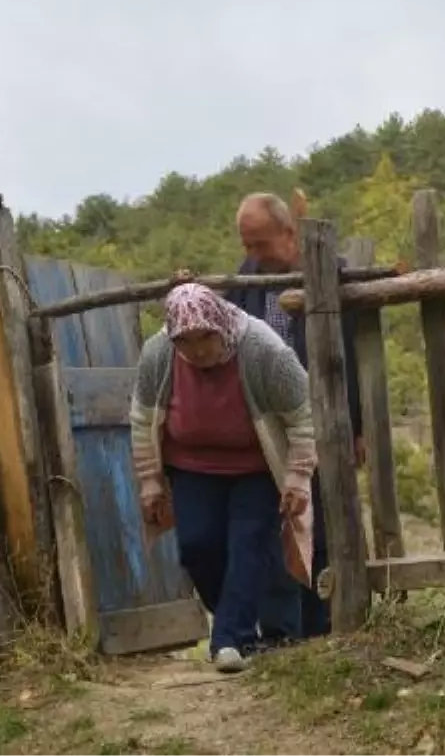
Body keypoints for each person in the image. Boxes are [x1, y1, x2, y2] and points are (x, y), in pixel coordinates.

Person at [129, 282, 319, 673]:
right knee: (198, 545)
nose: (197, 351)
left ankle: (230, 640)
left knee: (248, 542)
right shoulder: (158, 354)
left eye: (205, 339)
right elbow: (142, 418)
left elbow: (303, 417)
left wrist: (298, 478)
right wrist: (149, 481)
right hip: (192, 466)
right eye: (186, 343)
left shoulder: (264, 351)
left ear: (219, 326)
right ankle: (236, 621)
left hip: (256, 468)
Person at [224, 191, 365, 647]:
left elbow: (351, 356)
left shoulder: (327, 271)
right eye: (246, 244)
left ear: (289, 233)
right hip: (267, 426)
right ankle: (283, 632)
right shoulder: (245, 280)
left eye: (260, 244)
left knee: (322, 521)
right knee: (274, 523)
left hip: (322, 415)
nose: (252, 255)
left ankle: (327, 623)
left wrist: (357, 426)